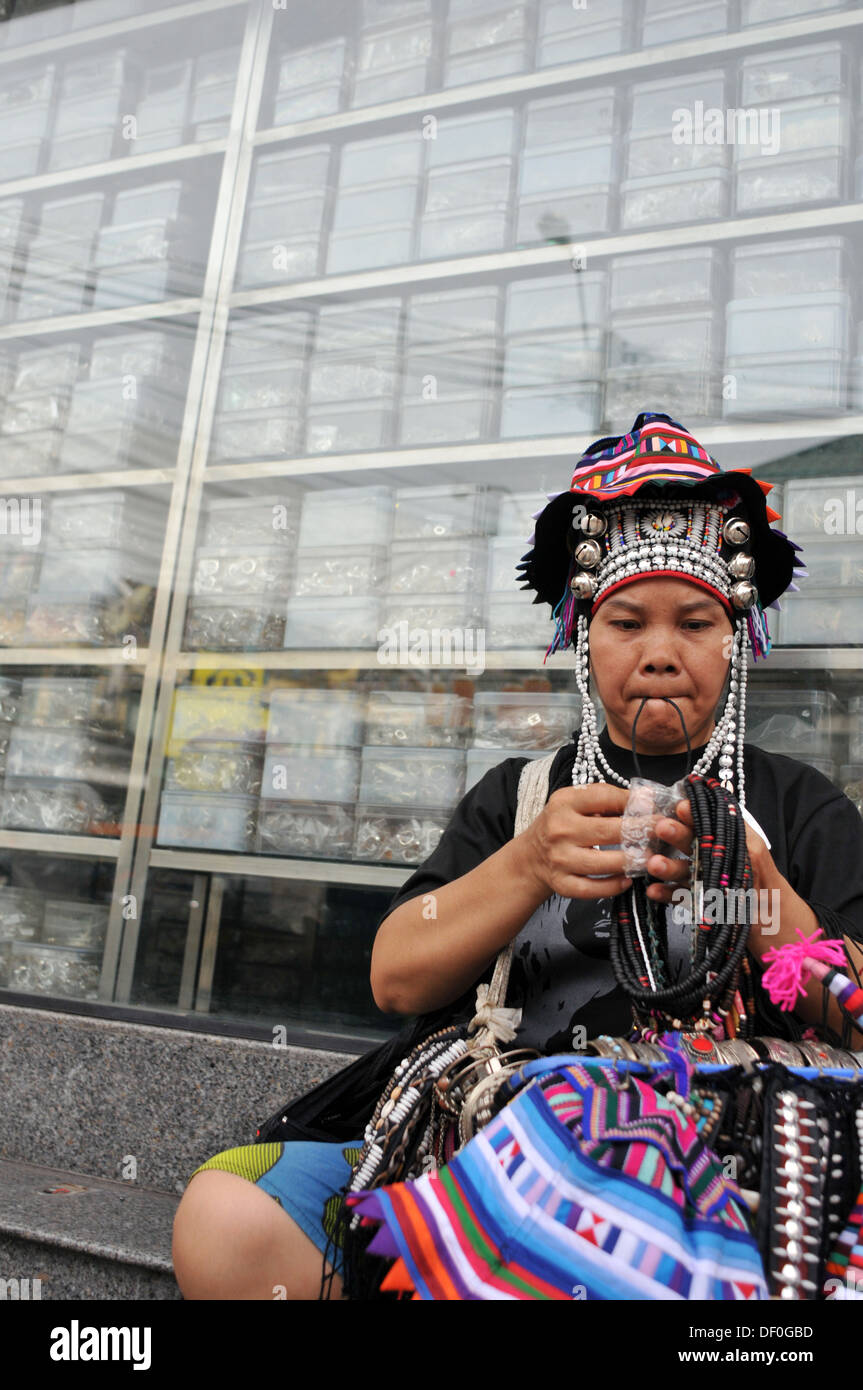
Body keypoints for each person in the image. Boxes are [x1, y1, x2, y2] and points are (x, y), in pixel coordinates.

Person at [172, 410, 863, 1301]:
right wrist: (526, 865)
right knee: (231, 1223)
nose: (658, 654)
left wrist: (751, 889)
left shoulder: (797, 806)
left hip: (733, 1161)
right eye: (625, 624)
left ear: (736, 640)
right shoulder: (519, 797)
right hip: (495, 1140)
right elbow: (395, 978)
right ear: (585, 639)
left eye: (693, 623)